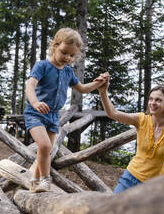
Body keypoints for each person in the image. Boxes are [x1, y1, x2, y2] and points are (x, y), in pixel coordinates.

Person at [24, 27, 108, 193]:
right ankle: (46, 180)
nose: (67, 58)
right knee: (45, 146)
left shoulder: (68, 72)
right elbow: (30, 85)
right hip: (35, 114)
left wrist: (99, 82)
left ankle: (34, 181)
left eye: (71, 55)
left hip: (53, 116)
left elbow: (83, 89)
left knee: (44, 150)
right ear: (54, 46)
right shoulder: (42, 66)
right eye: (64, 52)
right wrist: (34, 102)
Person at [97, 78, 164, 194]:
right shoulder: (141, 120)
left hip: (153, 187)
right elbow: (112, 113)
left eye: (158, 100)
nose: (153, 103)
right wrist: (103, 92)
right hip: (130, 179)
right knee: (114, 210)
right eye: (151, 99)